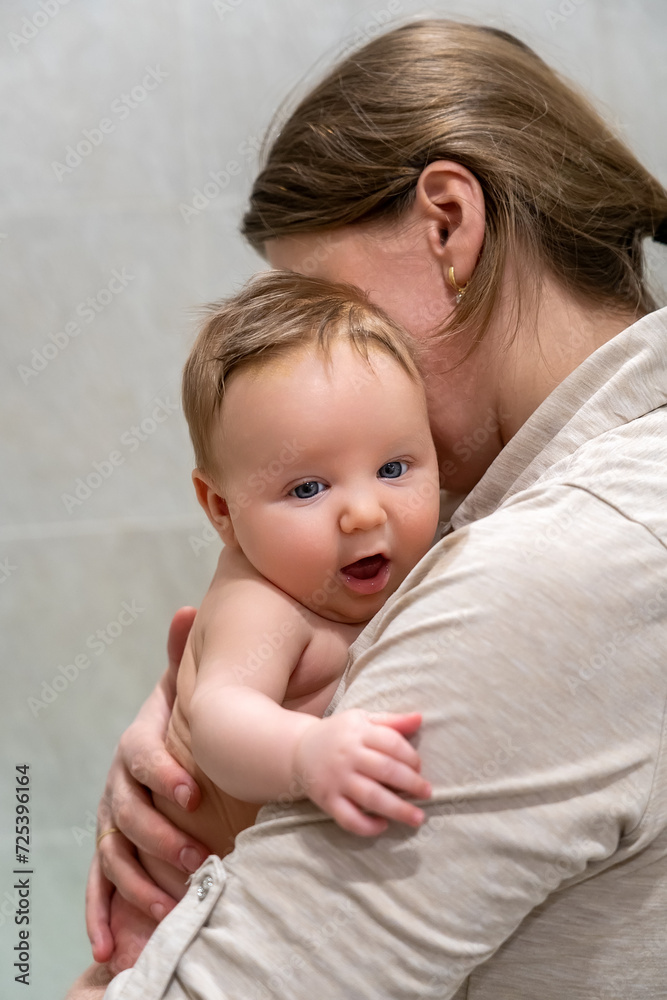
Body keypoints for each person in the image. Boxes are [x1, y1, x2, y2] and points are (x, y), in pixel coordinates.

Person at [70, 18, 667, 999]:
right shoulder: (550, 502)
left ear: (447, 223)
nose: (322, 367)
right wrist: (212, 736)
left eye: (327, 305)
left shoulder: (565, 563)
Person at [116, 269, 439, 951]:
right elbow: (220, 719)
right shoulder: (260, 604)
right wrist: (306, 753)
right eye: (307, 487)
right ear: (222, 511)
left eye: (393, 468)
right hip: (172, 934)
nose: (361, 511)